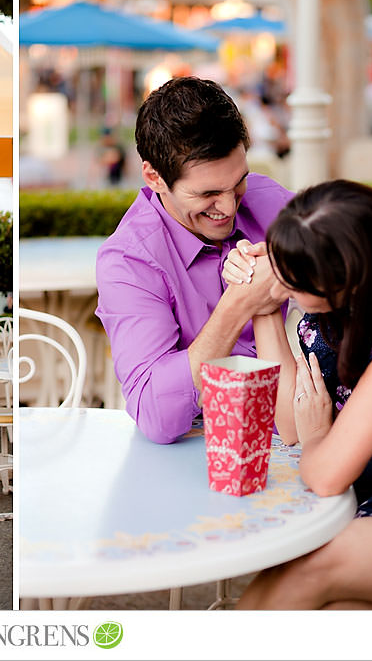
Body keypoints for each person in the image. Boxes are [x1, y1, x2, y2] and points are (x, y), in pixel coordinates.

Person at [223, 180, 372, 610]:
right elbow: (289, 420)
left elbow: (326, 473)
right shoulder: (335, 312)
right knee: (331, 616)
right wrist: (262, 304)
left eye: (293, 279)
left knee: (307, 566)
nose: (281, 282)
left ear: (345, 277)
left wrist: (318, 438)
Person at [95, 76, 295, 446]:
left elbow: (357, 250)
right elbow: (157, 419)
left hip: (291, 432)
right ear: (155, 177)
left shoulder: (266, 199)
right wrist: (238, 306)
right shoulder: (128, 261)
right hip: (196, 453)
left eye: (238, 182)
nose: (230, 206)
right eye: (208, 193)